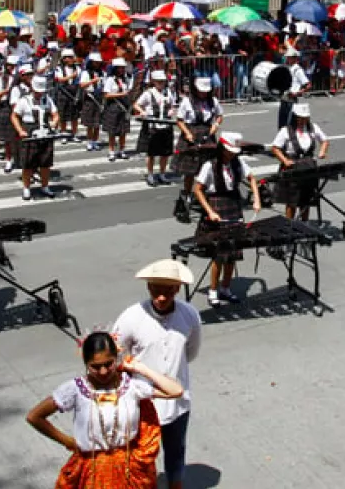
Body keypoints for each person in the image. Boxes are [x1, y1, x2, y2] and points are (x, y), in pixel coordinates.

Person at [25, 331, 184, 489]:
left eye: (109, 364)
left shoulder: (131, 386)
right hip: (91, 472)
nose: (103, 372)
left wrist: (141, 369)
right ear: (86, 363)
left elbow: (175, 391)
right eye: (95, 367)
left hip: (130, 471)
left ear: (117, 359)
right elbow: (34, 417)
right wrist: (67, 441)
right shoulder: (75, 390)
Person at [112, 260, 202, 489]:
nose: (162, 297)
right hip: (141, 403)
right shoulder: (131, 317)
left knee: (176, 450)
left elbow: (190, 352)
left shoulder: (190, 316)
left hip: (178, 401)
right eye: (157, 290)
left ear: (177, 289)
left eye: (168, 291)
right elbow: (116, 356)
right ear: (148, 288)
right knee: (141, 456)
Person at [192, 133, 262, 306]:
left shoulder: (238, 163)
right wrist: (209, 211)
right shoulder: (210, 165)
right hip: (216, 204)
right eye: (230, 151)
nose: (232, 154)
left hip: (233, 204)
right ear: (222, 149)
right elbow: (197, 189)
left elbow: (252, 178)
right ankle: (213, 291)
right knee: (219, 254)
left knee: (233, 251)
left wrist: (257, 199)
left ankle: (226, 288)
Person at [269, 103, 329, 220]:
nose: (302, 121)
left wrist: (322, 151)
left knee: (306, 200)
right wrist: (284, 160)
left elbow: (325, 140)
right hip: (293, 167)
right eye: (300, 119)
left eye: (305, 119)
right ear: (295, 117)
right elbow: (275, 148)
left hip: (309, 166)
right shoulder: (286, 131)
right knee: (292, 201)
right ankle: (289, 224)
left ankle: (304, 223)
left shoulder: (313, 128)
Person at [174, 77, 223, 214]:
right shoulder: (187, 101)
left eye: (206, 91)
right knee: (190, 170)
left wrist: (216, 124)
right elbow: (179, 120)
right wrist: (187, 133)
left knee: (207, 168)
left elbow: (220, 115)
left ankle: (204, 194)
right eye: (201, 91)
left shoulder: (213, 101)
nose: (203, 94)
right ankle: (188, 194)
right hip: (191, 134)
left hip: (208, 135)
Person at [11, 75, 60, 201]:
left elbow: (55, 114)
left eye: (41, 91)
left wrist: (54, 122)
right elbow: (14, 116)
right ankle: (26, 188)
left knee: (45, 163)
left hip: (44, 131)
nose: (39, 94)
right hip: (29, 131)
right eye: (37, 91)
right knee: (27, 163)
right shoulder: (24, 100)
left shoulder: (47, 99)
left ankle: (45, 186)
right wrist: (20, 130)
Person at [135, 70, 178, 187]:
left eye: (163, 82)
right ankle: (150, 174)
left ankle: (162, 174)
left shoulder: (168, 92)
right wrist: (142, 112)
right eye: (159, 82)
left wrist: (172, 110)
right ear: (153, 82)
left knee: (165, 153)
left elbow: (173, 104)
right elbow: (137, 104)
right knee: (151, 153)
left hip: (166, 125)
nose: (161, 84)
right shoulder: (148, 93)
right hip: (152, 126)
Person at [102, 58, 135, 162]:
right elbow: (106, 94)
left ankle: (122, 150)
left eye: (123, 68)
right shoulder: (110, 79)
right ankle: (111, 151)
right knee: (112, 131)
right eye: (119, 68)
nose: (122, 69)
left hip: (124, 107)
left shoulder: (126, 79)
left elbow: (130, 90)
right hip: (113, 106)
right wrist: (121, 94)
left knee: (123, 130)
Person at [278, 48, 310, 129]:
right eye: (287, 57)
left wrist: (297, 93)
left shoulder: (298, 70)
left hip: (291, 100)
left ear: (294, 58)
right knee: (282, 125)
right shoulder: (287, 67)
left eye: (289, 57)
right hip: (284, 99)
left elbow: (308, 85)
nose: (287, 59)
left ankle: (292, 140)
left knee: (290, 125)